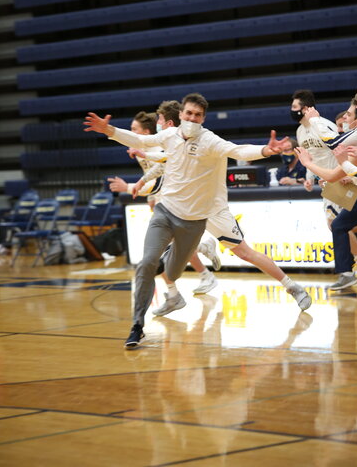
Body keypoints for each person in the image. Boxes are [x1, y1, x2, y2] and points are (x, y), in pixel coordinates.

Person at [84, 93, 312, 348]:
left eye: (198, 115)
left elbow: (237, 149)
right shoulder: (170, 137)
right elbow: (146, 145)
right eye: (189, 113)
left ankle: (292, 286)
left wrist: (265, 150)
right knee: (150, 261)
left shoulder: (210, 141)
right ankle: (151, 313)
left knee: (244, 253)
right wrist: (110, 131)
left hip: (210, 210)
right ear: (180, 115)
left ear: (203, 118)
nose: (192, 118)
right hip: (173, 210)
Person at [109, 102, 221, 301]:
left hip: (175, 198)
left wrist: (129, 187)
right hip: (162, 197)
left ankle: (179, 289)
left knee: (164, 248)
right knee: (172, 245)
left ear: (145, 131)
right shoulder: (143, 148)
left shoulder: (156, 146)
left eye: (134, 130)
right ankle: (200, 269)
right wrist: (150, 196)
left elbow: (160, 175)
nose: (131, 132)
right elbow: (152, 175)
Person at [290, 89, 357, 282]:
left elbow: (342, 148)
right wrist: (310, 176)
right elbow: (311, 156)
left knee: (336, 222)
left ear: (305, 108)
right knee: (336, 223)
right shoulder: (300, 131)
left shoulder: (325, 125)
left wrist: (345, 172)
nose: (291, 110)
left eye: (294, 107)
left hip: (340, 177)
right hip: (325, 180)